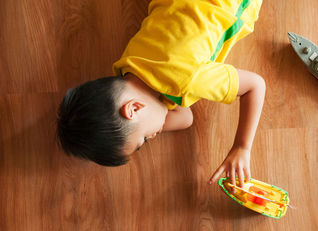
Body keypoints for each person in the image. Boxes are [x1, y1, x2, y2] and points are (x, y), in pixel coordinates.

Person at [57, 0, 265, 192]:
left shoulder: (187, 80)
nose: (154, 135)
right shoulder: (127, 67)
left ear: (135, 108)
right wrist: (151, 124)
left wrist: (241, 147)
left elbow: (255, 86)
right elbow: (186, 118)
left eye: (144, 139)